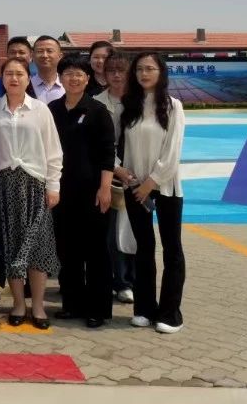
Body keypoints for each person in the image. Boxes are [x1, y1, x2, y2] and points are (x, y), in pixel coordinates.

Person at [0, 57, 62, 330]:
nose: (14, 78)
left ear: (28, 78)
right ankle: (18, 304)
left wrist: (53, 186)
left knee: (38, 246)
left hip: (35, 186)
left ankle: (38, 306)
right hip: (4, 186)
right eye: (9, 73)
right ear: (2, 78)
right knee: (12, 246)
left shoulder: (40, 110)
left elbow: (53, 151)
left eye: (19, 73)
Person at [116, 52, 186, 334]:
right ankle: (144, 308)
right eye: (139, 69)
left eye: (150, 69)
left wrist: (152, 181)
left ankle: (170, 313)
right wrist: (123, 171)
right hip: (135, 188)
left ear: (161, 72)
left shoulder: (172, 106)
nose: (144, 74)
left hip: (166, 187)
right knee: (144, 248)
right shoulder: (128, 106)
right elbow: (117, 145)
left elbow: (173, 151)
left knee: (172, 249)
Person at [49, 56, 115, 328]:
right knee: (67, 249)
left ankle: (98, 309)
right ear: (60, 78)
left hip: (92, 191)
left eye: (79, 74)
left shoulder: (98, 111)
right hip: (61, 191)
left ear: (87, 79)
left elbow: (108, 153)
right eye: (68, 73)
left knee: (96, 250)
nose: (73, 78)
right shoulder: (52, 109)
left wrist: (105, 188)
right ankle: (72, 304)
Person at [95, 52, 135, 303]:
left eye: (122, 70)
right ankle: (119, 281)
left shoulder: (142, 102)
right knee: (112, 233)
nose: (117, 75)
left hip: (139, 175)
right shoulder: (96, 103)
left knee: (136, 231)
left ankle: (134, 279)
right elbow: (98, 144)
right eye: (112, 71)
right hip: (109, 176)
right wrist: (118, 169)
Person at [30, 36, 64, 103]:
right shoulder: (25, 85)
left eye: (49, 51)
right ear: (33, 56)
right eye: (40, 51)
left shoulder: (69, 84)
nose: (45, 55)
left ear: (60, 56)